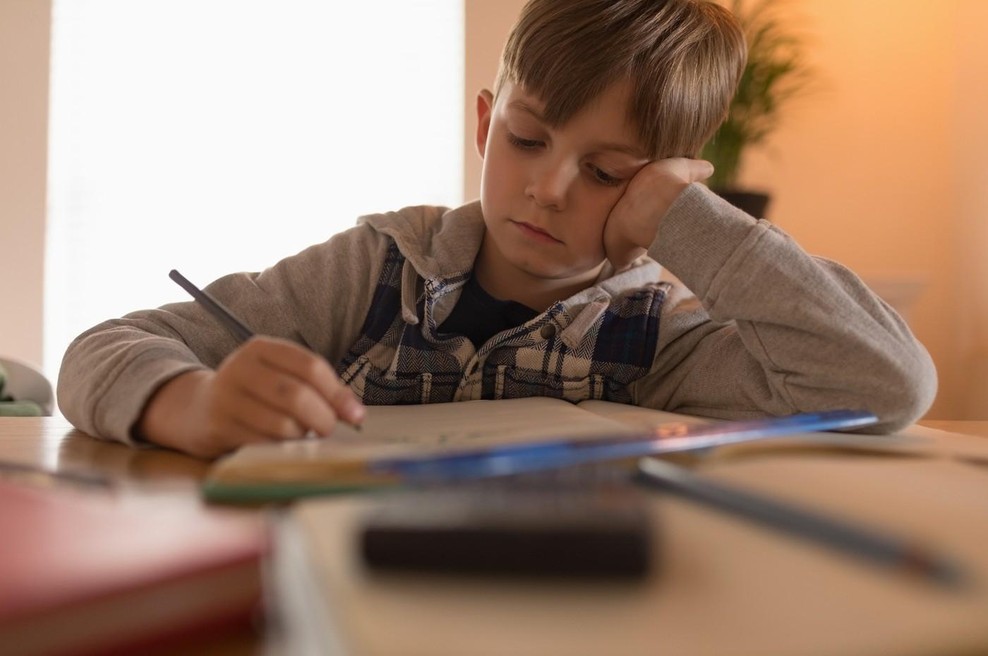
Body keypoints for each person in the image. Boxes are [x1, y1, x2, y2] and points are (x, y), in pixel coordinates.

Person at [57, 0, 936, 459]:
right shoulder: (375, 270)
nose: (548, 189)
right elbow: (101, 349)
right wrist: (197, 403)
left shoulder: (660, 340)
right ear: (485, 124)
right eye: (527, 139)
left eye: (608, 172)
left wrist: (691, 224)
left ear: (666, 186)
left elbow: (887, 386)